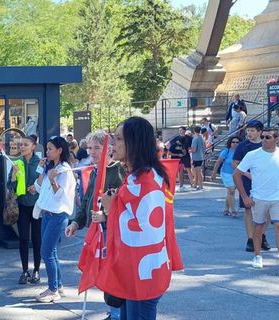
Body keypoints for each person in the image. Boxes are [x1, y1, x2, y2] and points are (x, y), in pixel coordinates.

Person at [102, 116, 181, 319]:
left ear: (134, 143)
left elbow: (144, 229)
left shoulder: (144, 180)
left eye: (119, 139)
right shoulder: (143, 176)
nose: (114, 144)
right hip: (139, 268)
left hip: (143, 269)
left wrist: (111, 209)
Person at [64, 130, 124, 319]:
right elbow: (88, 199)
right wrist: (76, 222)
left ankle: (116, 314)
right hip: (96, 229)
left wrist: (105, 215)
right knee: (104, 272)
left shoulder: (119, 170)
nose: (92, 152)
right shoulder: (95, 170)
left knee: (113, 273)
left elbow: (122, 202)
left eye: (97, 148)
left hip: (112, 231)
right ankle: (113, 311)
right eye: (89, 148)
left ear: (108, 149)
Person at [235, 128, 279, 275]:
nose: (264, 139)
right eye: (262, 137)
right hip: (259, 197)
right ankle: (257, 255)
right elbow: (236, 174)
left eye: (268, 137)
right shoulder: (252, 155)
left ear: (277, 139)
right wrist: (245, 196)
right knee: (259, 227)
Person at [32, 136, 77, 303]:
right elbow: (39, 188)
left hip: (58, 215)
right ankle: (57, 285)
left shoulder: (64, 170)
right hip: (47, 214)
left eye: (51, 148)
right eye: (47, 148)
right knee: (52, 252)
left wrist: (52, 179)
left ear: (59, 150)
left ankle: (53, 289)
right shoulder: (50, 167)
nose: (47, 151)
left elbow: (61, 196)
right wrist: (42, 170)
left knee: (46, 252)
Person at [232, 120, 271, 252]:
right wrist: (247, 174)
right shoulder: (243, 146)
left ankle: (262, 236)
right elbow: (235, 163)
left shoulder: (266, 145)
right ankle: (250, 239)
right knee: (249, 210)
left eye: (252, 130)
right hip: (247, 182)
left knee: (267, 210)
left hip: (265, 182)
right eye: (248, 130)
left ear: (260, 131)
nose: (249, 133)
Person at [10, 136, 41, 285]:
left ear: (33, 146)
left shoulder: (40, 163)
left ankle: (36, 270)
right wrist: (14, 176)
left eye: (25, 145)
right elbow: (10, 187)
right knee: (23, 239)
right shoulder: (16, 163)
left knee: (36, 239)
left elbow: (46, 183)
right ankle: (24, 271)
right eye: (21, 145)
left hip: (37, 206)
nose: (22, 147)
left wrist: (37, 188)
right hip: (22, 206)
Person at [213, 136, 242, 217]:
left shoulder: (240, 151)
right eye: (233, 142)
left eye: (237, 142)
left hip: (236, 173)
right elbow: (218, 162)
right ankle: (233, 210)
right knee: (232, 191)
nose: (235, 144)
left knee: (230, 192)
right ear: (230, 142)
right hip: (226, 173)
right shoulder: (226, 151)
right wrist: (214, 172)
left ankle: (226, 208)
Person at [166, 126, 191, 192]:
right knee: (174, 174)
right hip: (174, 161)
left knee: (181, 172)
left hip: (181, 160)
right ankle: (171, 187)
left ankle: (181, 186)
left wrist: (183, 152)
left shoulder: (182, 145)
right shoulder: (173, 145)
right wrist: (177, 154)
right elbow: (169, 153)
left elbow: (184, 152)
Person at [189, 126, 205, 191]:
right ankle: (195, 184)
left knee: (198, 172)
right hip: (201, 156)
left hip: (196, 157)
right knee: (197, 171)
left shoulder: (195, 139)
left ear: (194, 130)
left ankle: (200, 185)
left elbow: (194, 149)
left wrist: (190, 151)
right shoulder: (201, 138)